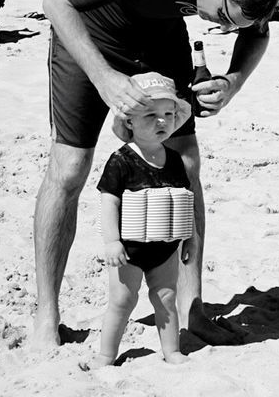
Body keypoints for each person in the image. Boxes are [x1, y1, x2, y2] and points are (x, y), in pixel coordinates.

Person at [31, 0, 279, 352]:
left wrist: (232, 82)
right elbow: (56, 2)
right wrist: (106, 78)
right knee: (70, 168)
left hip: (160, 34)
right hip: (91, 30)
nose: (224, 28)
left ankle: (193, 311)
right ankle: (46, 315)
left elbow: (256, 35)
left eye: (232, 25)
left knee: (186, 163)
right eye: (224, 16)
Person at [93, 72, 193, 367]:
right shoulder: (121, 160)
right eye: (150, 114)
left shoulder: (174, 160)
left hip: (165, 248)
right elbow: (109, 201)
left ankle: (172, 351)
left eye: (167, 113)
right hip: (129, 251)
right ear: (129, 122)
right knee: (122, 302)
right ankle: (105, 355)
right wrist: (112, 242)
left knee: (166, 300)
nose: (161, 121)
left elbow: (184, 201)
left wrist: (190, 241)